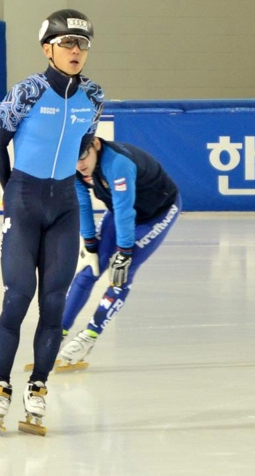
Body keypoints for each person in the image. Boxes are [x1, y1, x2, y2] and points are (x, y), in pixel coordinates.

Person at [0, 9, 104, 434]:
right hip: (24, 199)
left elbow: (82, 145)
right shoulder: (28, 91)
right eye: (67, 43)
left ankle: (37, 389)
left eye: (82, 45)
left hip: (64, 206)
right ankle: (0, 386)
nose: (75, 51)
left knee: (53, 303)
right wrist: (9, 191)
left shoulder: (94, 95)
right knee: (18, 295)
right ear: (47, 48)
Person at [59, 137, 181, 367]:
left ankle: (90, 336)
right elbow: (82, 203)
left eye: (83, 157)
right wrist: (90, 242)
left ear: (95, 144)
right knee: (90, 269)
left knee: (120, 273)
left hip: (155, 214)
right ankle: (58, 330)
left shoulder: (118, 164)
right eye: (73, 160)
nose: (80, 165)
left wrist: (124, 252)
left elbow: (126, 211)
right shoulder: (75, 165)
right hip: (119, 211)